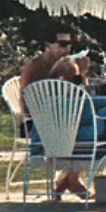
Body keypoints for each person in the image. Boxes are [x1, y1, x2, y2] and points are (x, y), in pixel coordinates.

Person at [19, 30, 91, 197]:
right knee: (78, 130)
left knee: (85, 126)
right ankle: (71, 181)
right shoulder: (33, 66)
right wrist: (55, 73)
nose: (67, 49)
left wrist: (82, 73)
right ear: (48, 46)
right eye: (63, 44)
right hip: (34, 121)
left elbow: (82, 93)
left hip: (60, 117)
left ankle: (68, 179)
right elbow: (34, 98)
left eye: (70, 44)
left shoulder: (69, 65)